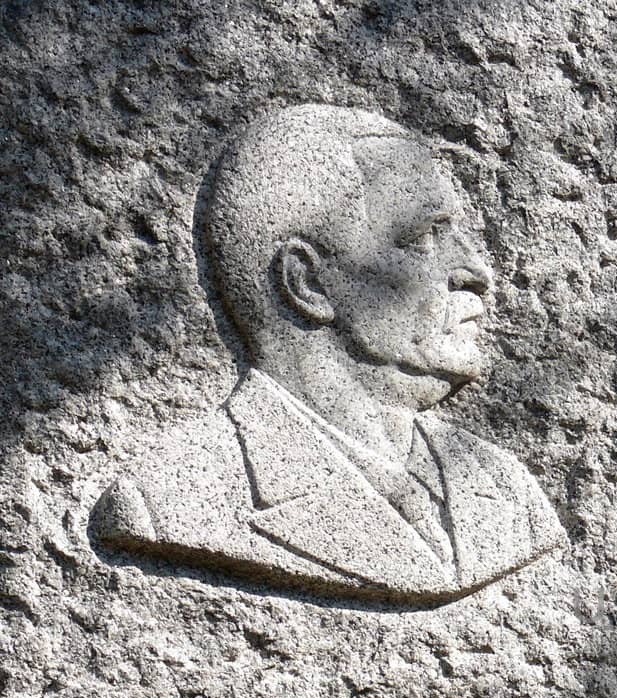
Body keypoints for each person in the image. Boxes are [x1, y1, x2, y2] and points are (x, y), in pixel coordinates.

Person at [93, 104, 565, 603]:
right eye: (427, 237)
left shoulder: (507, 492)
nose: (475, 271)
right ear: (307, 282)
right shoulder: (175, 499)